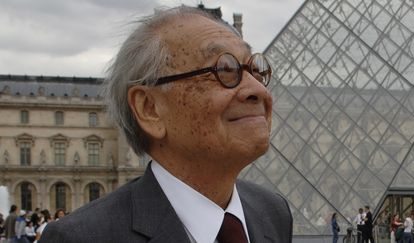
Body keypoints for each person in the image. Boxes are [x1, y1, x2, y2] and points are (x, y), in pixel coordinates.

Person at [40, 5, 292, 243]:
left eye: (255, 70)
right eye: (224, 69)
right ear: (149, 109)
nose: (257, 89)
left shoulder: (272, 212)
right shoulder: (82, 238)